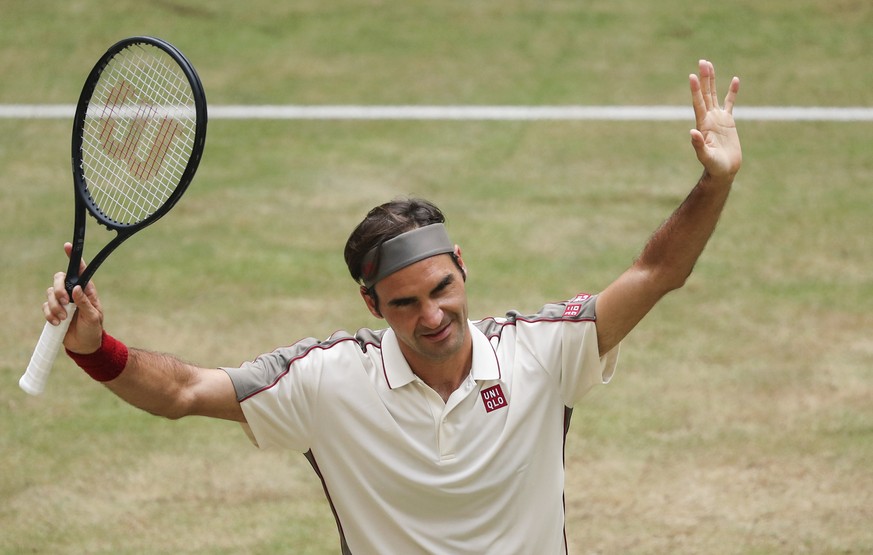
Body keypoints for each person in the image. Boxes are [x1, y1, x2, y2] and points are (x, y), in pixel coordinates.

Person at [43, 60, 741, 554]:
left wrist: (713, 183)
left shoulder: (543, 352)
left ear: (462, 265)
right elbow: (183, 391)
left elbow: (655, 272)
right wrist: (93, 347)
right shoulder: (323, 381)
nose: (432, 313)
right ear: (370, 302)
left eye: (442, 288)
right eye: (404, 302)